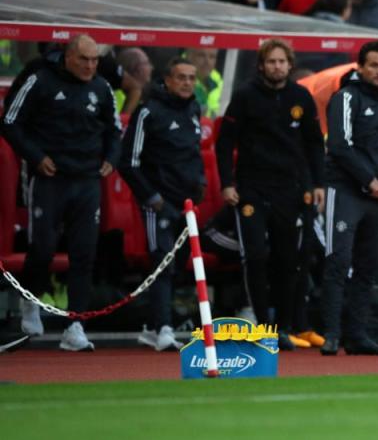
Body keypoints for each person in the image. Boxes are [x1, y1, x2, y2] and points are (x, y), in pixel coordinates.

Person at [2, 35, 121, 351]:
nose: (90, 66)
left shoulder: (102, 88)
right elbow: (10, 122)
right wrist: (36, 157)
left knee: (84, 252)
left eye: (95, 60)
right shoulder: (39, 79)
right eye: (84, 59)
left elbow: (115, 130)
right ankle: (30, 299)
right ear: (67, 56)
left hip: (87, 180)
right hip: (49, 178)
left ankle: (76, 325)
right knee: (42, 247)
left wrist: (112, 158)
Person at [215, 39, 326, 350]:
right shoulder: (244, 96)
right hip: (252, 189)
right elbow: (225, 143)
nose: (277, 66)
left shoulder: (300, 96)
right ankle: (262, 325)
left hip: (290, 190)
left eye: (282, 61)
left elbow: (315, 144)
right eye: (271, 61)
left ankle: (284, 327)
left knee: (288, 259)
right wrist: (227, 183)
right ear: (261, 65)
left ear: (290, 64)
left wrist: (318, 184)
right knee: (255, 256)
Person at [320, 41, 378, 356]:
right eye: (374, 65)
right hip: (345, 191)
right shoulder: (345, 97)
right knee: (337, 261)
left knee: (368, 264)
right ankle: (331, 334)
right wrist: (371, 182)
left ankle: (357, 334)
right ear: (360, 67)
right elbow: (340, 146)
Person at [119, 58, 205, 351]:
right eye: (181, 77)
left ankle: (159, 323)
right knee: (162, 261)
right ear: (167, 80)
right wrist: (152, 198)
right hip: (158, 202)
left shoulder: (194, 109)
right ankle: (162, 328)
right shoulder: (148, 112)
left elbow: (194, 155)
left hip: (187, 204)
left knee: (180, 264)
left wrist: (201, 185)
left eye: (192, 78)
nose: (187, 83)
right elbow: (128, 162)